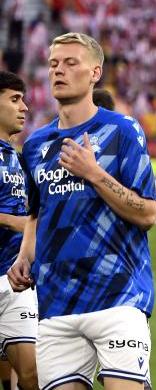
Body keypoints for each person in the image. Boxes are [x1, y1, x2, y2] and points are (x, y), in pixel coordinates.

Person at [7, 32, 156, 390]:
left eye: (70, 63)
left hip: (118, 298)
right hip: (56, 305)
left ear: (95, 73)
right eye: (53, 64)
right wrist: (24, 257)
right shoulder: (35, 146)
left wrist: (94, 173)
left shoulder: (122, 131)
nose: (58, 71)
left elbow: (148, 213)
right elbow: (35, 212)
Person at [0, 71, 37, 390]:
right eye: (14, 99)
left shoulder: (19, 158)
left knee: (32, 375)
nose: (24, 107)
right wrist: (17, 222)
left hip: (15, 283)